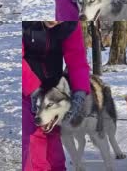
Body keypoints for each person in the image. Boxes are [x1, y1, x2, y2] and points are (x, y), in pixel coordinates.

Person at [22, 21, 91, 170]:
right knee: (33, 145)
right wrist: (32, 88)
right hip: (27, 88)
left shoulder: (70, 22)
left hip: (55, 90)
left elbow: (77, 59)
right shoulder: (25, 24)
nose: (55, 20)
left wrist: (79, 91)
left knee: (54, 153)